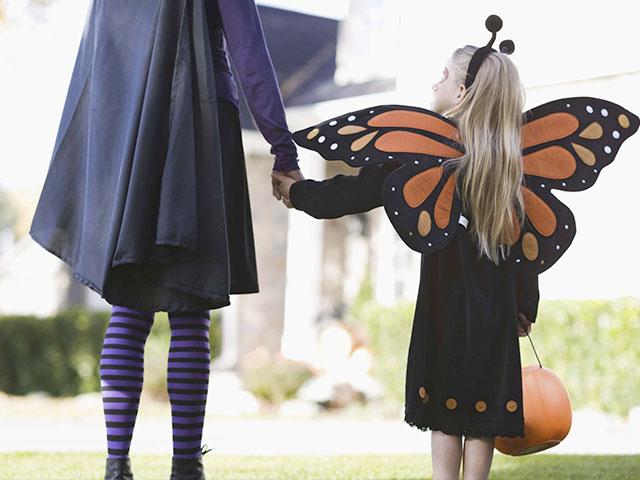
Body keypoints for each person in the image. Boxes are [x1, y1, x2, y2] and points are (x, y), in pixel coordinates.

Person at [28, 0, 302, 479]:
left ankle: (117, 466)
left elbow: (98, 61)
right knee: (190, 311)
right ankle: (185, 468)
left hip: (130, 135)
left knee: (129, 310)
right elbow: (249, 52)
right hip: (198, 128)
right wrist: (282, 148)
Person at [272, 42, 540, 480]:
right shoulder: (512, 165)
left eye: (444, 77)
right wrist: (525, 307)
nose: (435, 82)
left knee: (446, 407)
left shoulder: (424, 152)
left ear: (461, 95)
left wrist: (298, 192)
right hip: (497, 310)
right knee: (483, 408)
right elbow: (528, 252)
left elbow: (354, 192)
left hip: (444, 300)